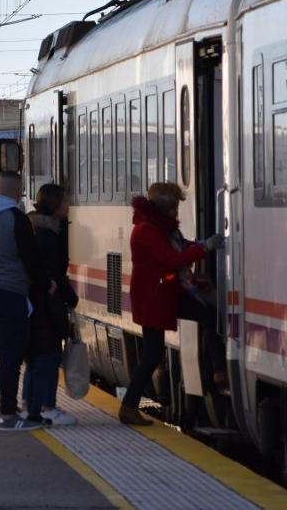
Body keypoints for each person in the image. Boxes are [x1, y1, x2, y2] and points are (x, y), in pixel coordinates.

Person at [119, 182, 221, 425]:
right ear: (163, 209)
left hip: (164, 295)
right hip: (154, 299)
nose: (177, 213)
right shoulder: (147, 231)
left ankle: (219, 371)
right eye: (174, 208)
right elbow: (171, 259)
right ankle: (128, 408)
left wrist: (199, 246)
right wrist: (205, 248)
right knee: (152, 355)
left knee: (208, 314)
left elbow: (179, 249)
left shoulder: (161, 228)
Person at [0, 172, 46, 431]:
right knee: (10, 355)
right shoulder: (17, 219)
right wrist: (45, 285)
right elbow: (31, 258)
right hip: (11, 292)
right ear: (17, 192)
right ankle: (8, 415)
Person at [23, 184, 79, 427]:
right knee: (49, 353)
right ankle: (46, 406)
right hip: (47, 301)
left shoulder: (33, 228)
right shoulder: (49, 234)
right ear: (56, 204)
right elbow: (54, 270)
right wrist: (70, 296)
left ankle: (29, 404)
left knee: (36, 355)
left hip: (35, 300)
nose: (68, 207)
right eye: (65, 203)